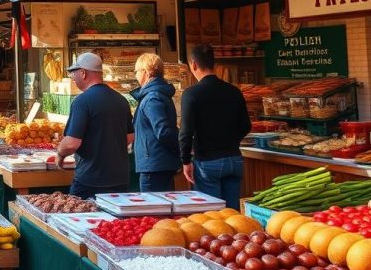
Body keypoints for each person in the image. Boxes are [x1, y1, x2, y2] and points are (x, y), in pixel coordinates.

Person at [180, 44, 252, 209]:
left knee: (213, 215)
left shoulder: (191, 94)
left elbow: (185, 132)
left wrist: (185, 161)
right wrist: (230, 141)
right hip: (234, 160)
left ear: (193, 64)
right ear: (214, 64)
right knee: (232, 215)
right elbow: (246, 125)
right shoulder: (234, 91)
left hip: (208, 162)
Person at [56, 52, 133, 199]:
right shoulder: (121, 100)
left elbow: (71, 143)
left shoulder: (82, 102)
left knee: (80, 218)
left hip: (90, 179)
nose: (73, 77)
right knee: (114, 221)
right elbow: (129, 137)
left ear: (83, 73)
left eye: (74, 73)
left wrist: (60, 154)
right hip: (119, 179)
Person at [130, 53, 180, 192]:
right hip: (158, 162)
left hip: (154, 165)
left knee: (154, 209)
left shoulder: (152, 98)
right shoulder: (156, 94)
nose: (135, 75)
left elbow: (163, 131)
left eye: (136, 71)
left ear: (146, 72)